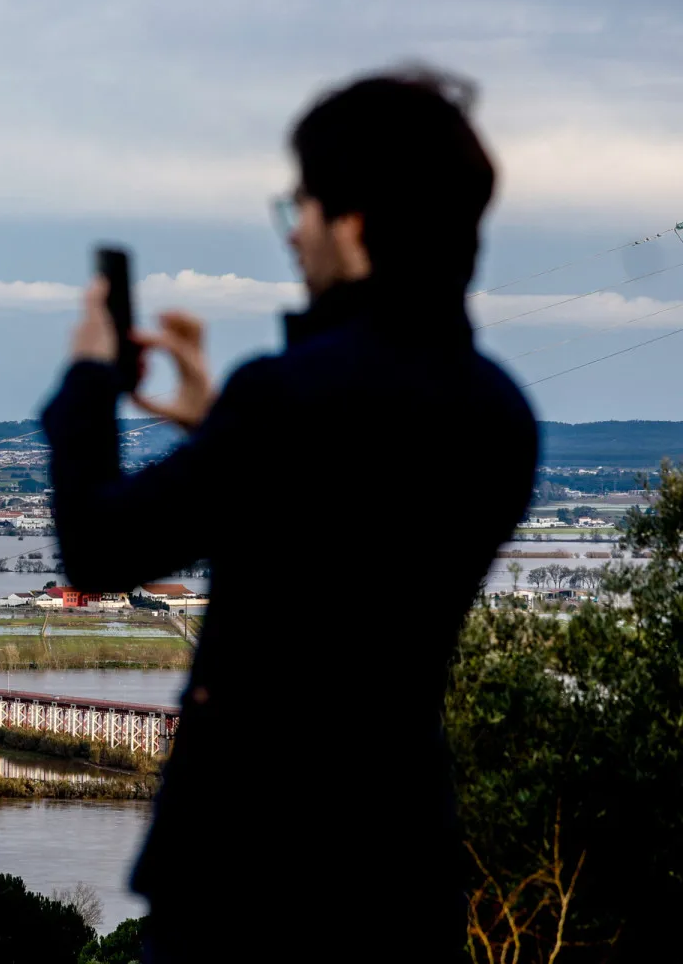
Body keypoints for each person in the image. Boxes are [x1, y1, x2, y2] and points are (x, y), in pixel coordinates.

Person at [40, 67, 538, 961]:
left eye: (299, 207)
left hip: (247, 876)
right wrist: (217, 430)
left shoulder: (288, 400)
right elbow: (343, 526)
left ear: (353, 223)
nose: (292, 234)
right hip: (402, 867)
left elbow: (98, 547)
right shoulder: (500, 415)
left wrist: (87, 379)